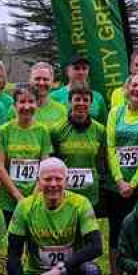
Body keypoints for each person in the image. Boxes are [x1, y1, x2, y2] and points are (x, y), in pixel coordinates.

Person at [104, 72, 138, 275]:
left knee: (137, 232)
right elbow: (110, 147)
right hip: (116, 185)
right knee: (116, 231)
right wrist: (119, 180)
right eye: (134, 85)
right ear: (127, 88)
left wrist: (133, 183)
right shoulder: (116, 112)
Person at [0, 85, 52, 222]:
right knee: (11, 241)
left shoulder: (43, 131)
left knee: (34, 242)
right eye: (22, 102)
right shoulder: (4, 131)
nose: (26, 106)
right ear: (14, 105)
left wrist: (33, 197)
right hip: (8, 200)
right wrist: (17, 196)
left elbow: (45, 167)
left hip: (35, 198)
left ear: (37, 104)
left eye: (31, 101)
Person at [51, 83, 107, 212]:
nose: (81, 103)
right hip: (64, 193)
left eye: (85, 100)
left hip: (91, 195)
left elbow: (101, 160)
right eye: (77, 99)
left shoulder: (100, 130)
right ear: (70, 101)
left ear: (91, 103)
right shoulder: (57, 130)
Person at [50, 57, 107, 123]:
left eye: (84, 68)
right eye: (76, 68)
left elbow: (104, 124)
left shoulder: (98, 97)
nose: (81, 72)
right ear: (67, 71)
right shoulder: (54, 97)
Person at [19, 62, 68, 129]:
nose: (41, 83)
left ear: (52, 81)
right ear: (30, 80)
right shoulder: (17, 109)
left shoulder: (61, 110)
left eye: (46, 79)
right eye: (37, 79)